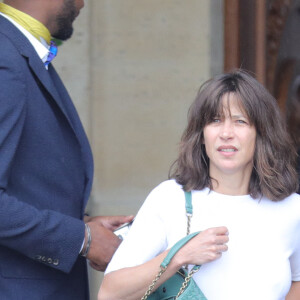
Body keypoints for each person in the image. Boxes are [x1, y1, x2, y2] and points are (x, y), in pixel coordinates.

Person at [99, 70, 300, 300]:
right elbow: (109, 293)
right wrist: (178, 256)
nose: (226, 133)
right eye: (215, 120)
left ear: (261, 133)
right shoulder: (169, 198)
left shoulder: (292, 209)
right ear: (202, 134)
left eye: (240, 121)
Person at [0, 0, 133, 299]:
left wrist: (80, 224)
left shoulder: (16, 52)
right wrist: (82, 239)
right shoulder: (5, 58)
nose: (84, 2)